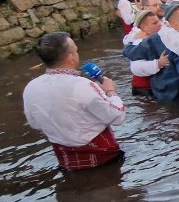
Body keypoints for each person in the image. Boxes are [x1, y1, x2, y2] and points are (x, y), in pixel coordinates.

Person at [22, 32, 125, 171]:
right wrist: (110, 91)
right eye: (76, 51)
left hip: (64, 157)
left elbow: (34, 123)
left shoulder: (31, 87)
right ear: (71, 58)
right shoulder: (82, 85)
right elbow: (117, 117)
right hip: (101, 156)